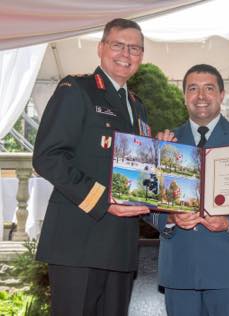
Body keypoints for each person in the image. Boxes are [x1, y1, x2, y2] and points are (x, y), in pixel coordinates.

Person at [32, 18, 151, 316]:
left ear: (141, 56)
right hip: (78, 243)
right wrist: (103, 200)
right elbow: (48, 156)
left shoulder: (137, 106)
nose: (126, 53)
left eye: (134, 48)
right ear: (101, 48)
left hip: (121, 245)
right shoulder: (77, 89)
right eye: (118, 45)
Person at [149, 64, 229, 316]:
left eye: (209, 88)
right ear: (184, 96)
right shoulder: (164, 142)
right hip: (180, 271)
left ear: (221, 95)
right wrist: (170, 218)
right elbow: (143, 203)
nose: (201, 96)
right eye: (193, 89)